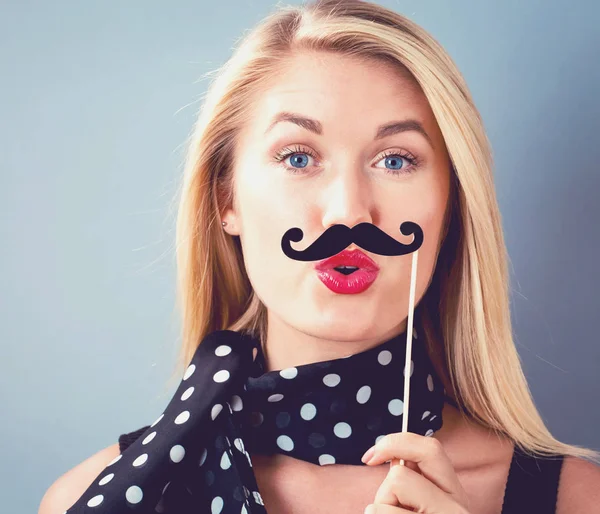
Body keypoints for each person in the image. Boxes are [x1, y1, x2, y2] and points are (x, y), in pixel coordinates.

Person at [39, 1, 600, 513]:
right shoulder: (87, 498)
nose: (350, 214)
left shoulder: (576, 500)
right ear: (225, 199)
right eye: (299, 157)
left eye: (397, 160)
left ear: (451, 206)